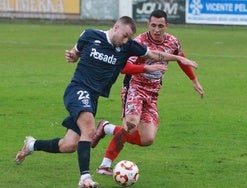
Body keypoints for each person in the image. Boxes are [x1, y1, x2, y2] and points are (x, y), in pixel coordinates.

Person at [15, 16, 198, 188]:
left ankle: (31, 145)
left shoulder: (127, 47)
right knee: (89, 129)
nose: (126, 40)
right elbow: (75, 53)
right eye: (125, 35)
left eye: (129, 38)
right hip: (78, 89)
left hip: (92, 98)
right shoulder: (89, 35)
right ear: (116, 27)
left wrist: (178, 58)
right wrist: (71, 56)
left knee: (69, 145)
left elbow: (155, 54)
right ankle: (85, 178)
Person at [91, 10, 205, 176]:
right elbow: (124, 68)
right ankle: (104, 165)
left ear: (167, 25)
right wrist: (146, 67)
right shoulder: (139, 42)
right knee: (130, 125)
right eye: (153, 25)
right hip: (134, 88)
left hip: (152, 94)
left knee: (147, 139)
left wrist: (194, 80)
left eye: (160, 26)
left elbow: (181, 58)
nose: (157, 29)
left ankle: (106, 127)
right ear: (148, 25)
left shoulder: (172, 42)